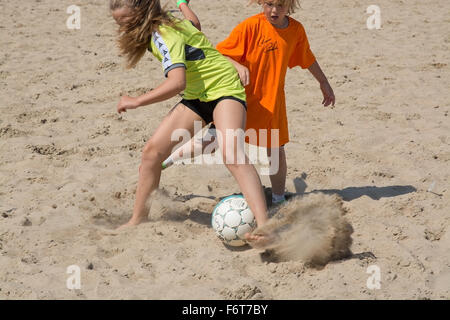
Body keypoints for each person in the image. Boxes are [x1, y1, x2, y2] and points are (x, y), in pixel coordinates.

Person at [108, 0, 270, 245]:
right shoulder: (169, 19)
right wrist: (183, 4)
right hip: (197, 95)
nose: (121, 27)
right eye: (117, 22)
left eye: (125, 21)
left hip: (224, 89)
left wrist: (137, 101)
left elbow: (177, 83)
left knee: (232, 155)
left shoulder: (163, 33)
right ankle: (138, 219)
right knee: (152, 153)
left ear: (141, 14)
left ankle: (266, 227)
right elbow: (195, 26)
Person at [162, 0, 335, 206]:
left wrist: (323, 82)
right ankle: (166, 161)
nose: (274, 10)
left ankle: (278, 199)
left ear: (289, 5)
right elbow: (220, 53)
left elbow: (307, 58)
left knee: (276, 150)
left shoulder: (296, 30)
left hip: (271, 102)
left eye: (280, 5)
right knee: (214, 140)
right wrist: (237, 65)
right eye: (269, 4)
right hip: (238, 97)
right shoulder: (250, 26)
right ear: (261, 3)